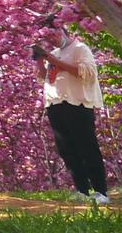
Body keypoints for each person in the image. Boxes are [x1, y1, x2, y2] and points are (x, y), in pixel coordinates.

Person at [37, 25, 110, 203]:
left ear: (63, 31)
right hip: (55, 103)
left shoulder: (79, 48)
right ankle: (82, 190)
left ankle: (101, 192)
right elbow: (45, 77)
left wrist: (54, 60)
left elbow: (87, 73)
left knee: (87, 146)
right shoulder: (53, 53)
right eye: (48, 37)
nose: (52, 39)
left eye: (54, 34)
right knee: (67, 149)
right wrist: (40, 61)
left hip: (77, 103)